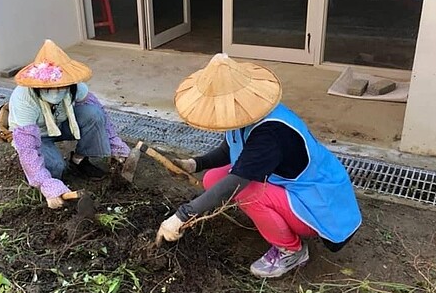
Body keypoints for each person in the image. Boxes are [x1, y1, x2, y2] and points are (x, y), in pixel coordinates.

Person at [155, 53, 362, 278]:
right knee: (212, 179)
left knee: (248, 191)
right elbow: (231, 148)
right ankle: (274, 221)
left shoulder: (270, 133)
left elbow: (237, 183)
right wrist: (196, 164)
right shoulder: (244, 114)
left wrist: (182, 216)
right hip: (289, 186)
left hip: (320, 204)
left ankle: (291, 251)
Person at [8, 39, 130, 209]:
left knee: (93, 114)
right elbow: (28, 148)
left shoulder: (75, 87)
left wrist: (114, 142)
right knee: (56, 167)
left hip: (61, 124)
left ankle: (79, 160)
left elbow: (99, 112)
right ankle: (43, 182)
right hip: (38, 136)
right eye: (49, 88)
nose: (57, 91)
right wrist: (46, 184)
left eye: (61, 86)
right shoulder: (24, 99)